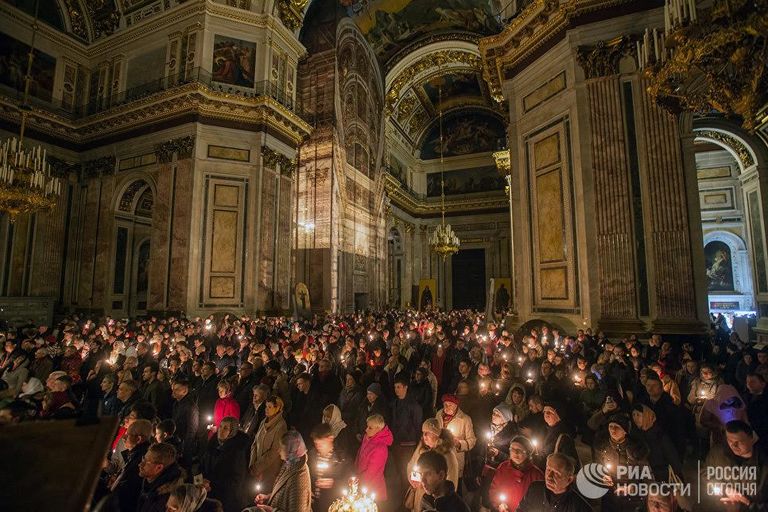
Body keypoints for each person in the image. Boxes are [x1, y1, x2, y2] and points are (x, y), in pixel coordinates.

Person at [250, 430, 312, 512]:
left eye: (282, 448)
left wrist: (272, 510)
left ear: (291, 451)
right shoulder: (290, 465)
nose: (278, 451)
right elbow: (284, 492)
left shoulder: (299, 478)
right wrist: (268, 497)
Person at [406, 419, 459, 512]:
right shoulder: (421, 449)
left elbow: (451, 482)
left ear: (437, 434)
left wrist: (440, 499)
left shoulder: (447, 455)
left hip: (434, 502)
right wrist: (412, 478)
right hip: (419, 497)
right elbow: (411, 465)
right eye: (423, 432)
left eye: (428, 432)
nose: (424, 435)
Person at [517, 453, 592, 512]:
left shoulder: (580, 507)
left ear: (569, 480)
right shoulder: (534, 488)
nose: (549, 476)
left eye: (556, 473)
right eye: (548, 470)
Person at [488, 435, 544, 511]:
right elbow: (494, 489)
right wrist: (499, 505)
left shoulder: (537, 475)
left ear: (527, 453)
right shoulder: (503, 467)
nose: (515, 453)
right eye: (512, 449)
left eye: (519, 450)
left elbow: (540, 502)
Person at [110, 419, 153, 512]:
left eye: (128, 435)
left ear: (138, 439)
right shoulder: (135, 454)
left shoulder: (140, 461)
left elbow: (129, 488)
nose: (124, 438)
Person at [435, 394, 476, 483]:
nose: (447, 407)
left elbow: (472, 440)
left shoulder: (465, 419)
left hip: (455, 458)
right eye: (445, 404)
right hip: (439, 455)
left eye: (450, 405)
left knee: (453, 485)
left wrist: (459, 443)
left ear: (456, 405)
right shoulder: (439, 414)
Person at [250, 396, 288, 490]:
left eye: (270, 407)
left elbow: (274, 452)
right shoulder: (263, 422)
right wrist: (252, 464)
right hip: (256, 468)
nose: (266, 409)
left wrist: (258, 468)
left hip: (269, 471)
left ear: (278, 408)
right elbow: (255, 443)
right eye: (266, 406)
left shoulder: (281, 426)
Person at [308, 422, 348, 512]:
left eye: (321, 444)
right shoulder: (312, 455)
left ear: (330, 439)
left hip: (331, 503)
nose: (318, 447)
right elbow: (307, 475)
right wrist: (308, 489)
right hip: (314, 504)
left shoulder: (341, 458)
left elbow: (349, 480)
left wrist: (334, 483)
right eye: (316, 444)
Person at [136, 442, 185, 512]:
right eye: (143, 458)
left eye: (146, 462)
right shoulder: (149, 482)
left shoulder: (166, 501)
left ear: (159, 468)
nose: (140, 464)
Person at [355, 413, 393, 501]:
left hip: (372, 488)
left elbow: (372, 472)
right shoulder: (368, 437)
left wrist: (358, 480)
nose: (366, 429)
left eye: (370, 428)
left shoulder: (381, 448)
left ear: (378, 429)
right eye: (367, 426)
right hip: (361, 482)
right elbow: (359, 454)